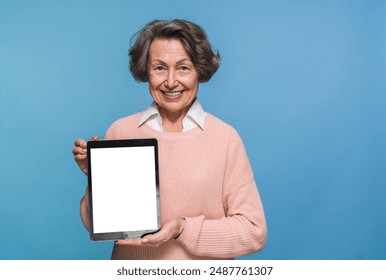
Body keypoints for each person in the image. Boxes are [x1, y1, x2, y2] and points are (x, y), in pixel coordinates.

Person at [72, 19, 267, 260]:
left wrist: (183, 229)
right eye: (160, 68)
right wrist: (97, 178)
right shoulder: (121, 131)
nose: (171, 81)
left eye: (183, 67)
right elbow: (95, 225)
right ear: (146, 71)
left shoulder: (225, 138)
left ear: (199, 70)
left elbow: (253, 232)